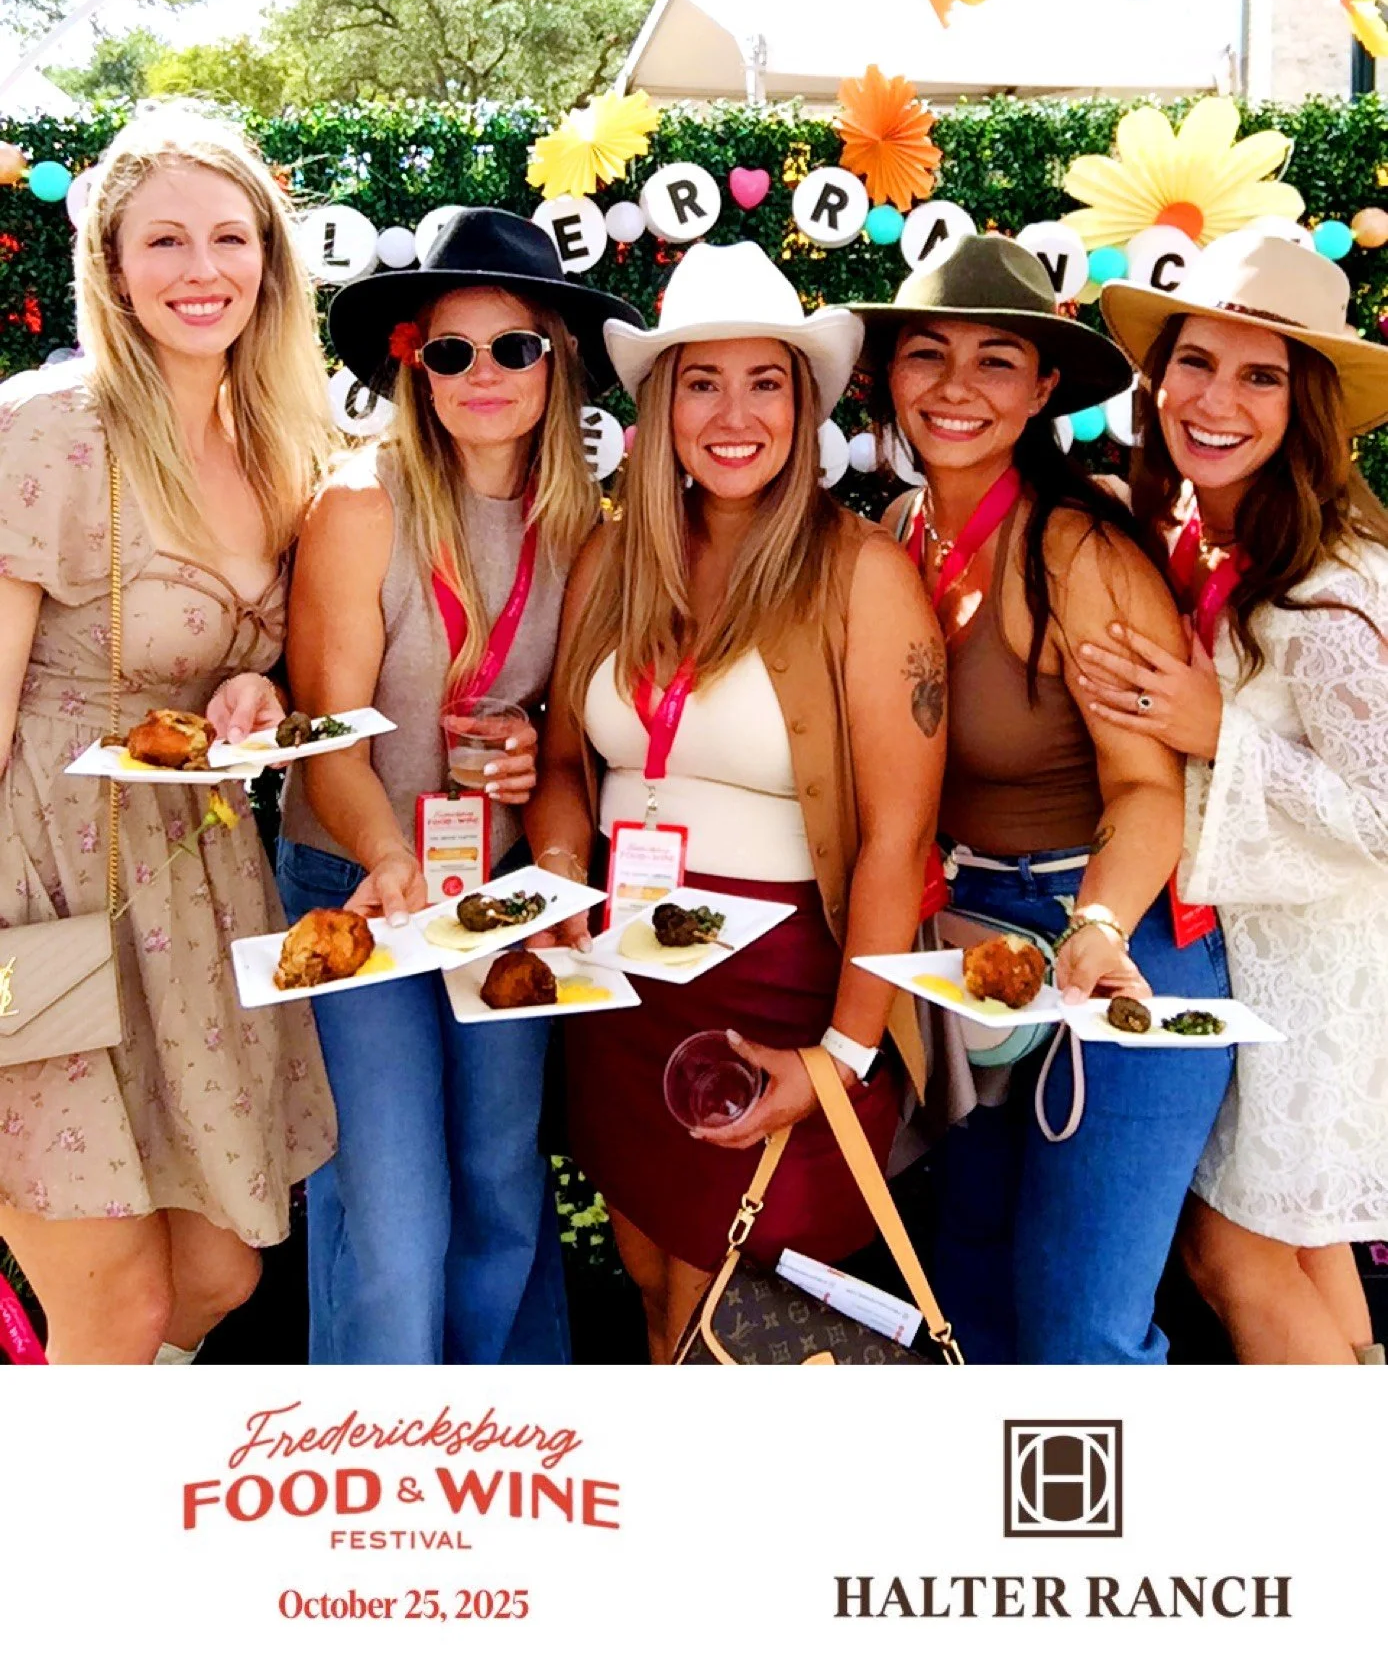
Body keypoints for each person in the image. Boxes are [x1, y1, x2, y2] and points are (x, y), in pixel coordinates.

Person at [525, 240, 945, 1363]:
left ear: (803, 407)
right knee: (660, 1287)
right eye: (701, 383)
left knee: (743, 1320)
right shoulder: (610, 563)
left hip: (779, 997)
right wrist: (561, 873)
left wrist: (840, 1058)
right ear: (660, 405)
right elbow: (566, 766)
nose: (733, 413)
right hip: (619, 987)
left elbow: (897, 836)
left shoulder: (859, 574)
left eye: (765, 383)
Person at [853, 235, 1234, 1365]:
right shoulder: (894, 537)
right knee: (969, 1295)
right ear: (887, 378)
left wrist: (1097, 926)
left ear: (1044, 387)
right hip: (964, 949)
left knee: (1081, 1331)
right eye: (927, 355)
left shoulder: (1076, 549)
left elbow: (1142, 787)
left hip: (1110, 949)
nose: (956, 388)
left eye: (995, 361)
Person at [0, 106, 337, 1364]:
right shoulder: (49, 428)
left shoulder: (279, 443)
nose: (204, 272)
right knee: (115, 1301)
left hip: (191, 884)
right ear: (112, 267)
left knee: (219, 1266)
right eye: (166, 243)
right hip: (39, 884)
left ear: (270, 257)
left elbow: (236, 668)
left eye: (230, 238)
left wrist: (250, 694)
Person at [278, 206, 642, 1365]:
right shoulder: (359, 507)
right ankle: (376, 1472)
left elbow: (565, 745)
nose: (481, 373)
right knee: (390, 1216)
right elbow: (325, 737)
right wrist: (388, 861)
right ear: (413, 365)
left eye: (514, 348)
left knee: (497, 1185)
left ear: (557, 362)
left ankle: (493, 1444)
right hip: (359, 883)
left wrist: (550, 818)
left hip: (499, 887)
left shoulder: (589, 528)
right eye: (450, 351)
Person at [1088, 226, 1388, 1365]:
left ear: (1303, 403)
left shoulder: (1332, 592)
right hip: (1252, 961)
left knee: (1233, 1251)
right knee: (1302, 1250)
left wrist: (1215, 732)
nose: (1215, 399)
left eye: (1259, 374)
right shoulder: (1199, 535)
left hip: (1313, 984)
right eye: (1195, 363)